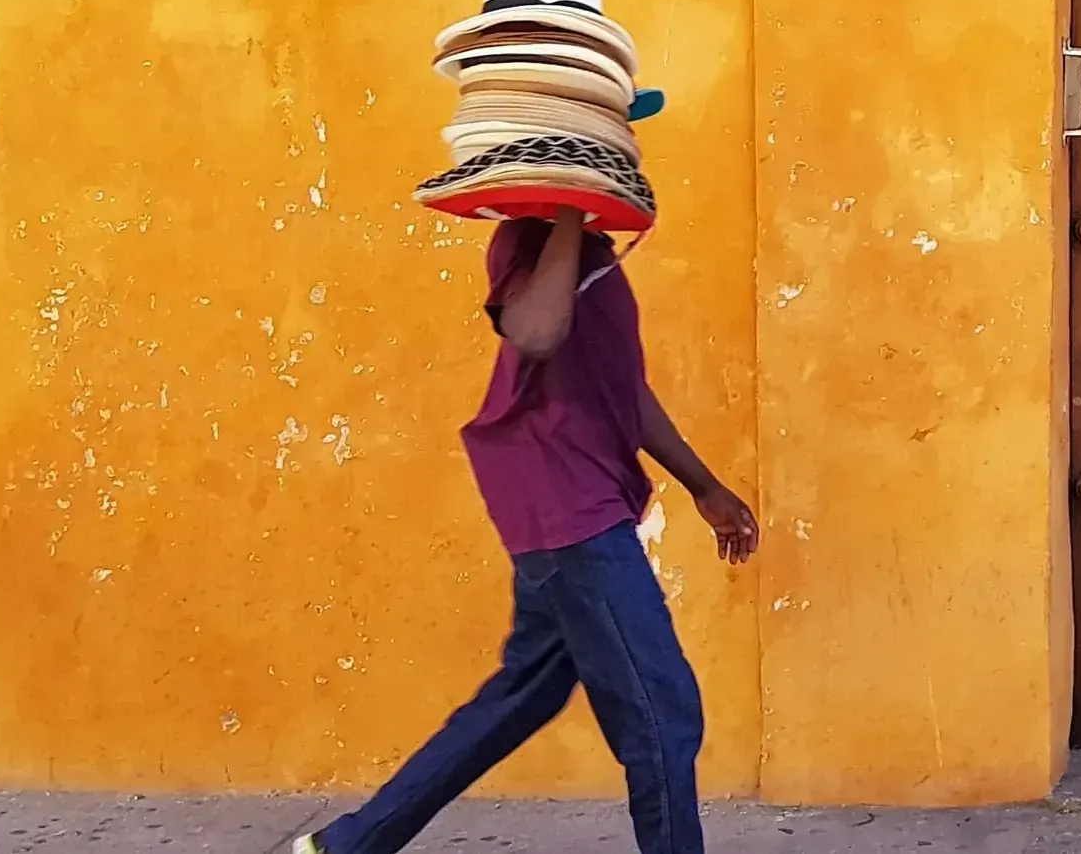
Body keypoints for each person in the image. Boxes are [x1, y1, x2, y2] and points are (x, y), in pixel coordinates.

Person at [292, 204, 756, 854]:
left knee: (520, 698)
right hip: (570, 511)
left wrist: (704, 486)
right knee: (662, 709)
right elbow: (535, 332)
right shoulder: (527, 241)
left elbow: (624, 388)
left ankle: (344, 846)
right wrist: (567, 215)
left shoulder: (589, 251)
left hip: (573, 506)